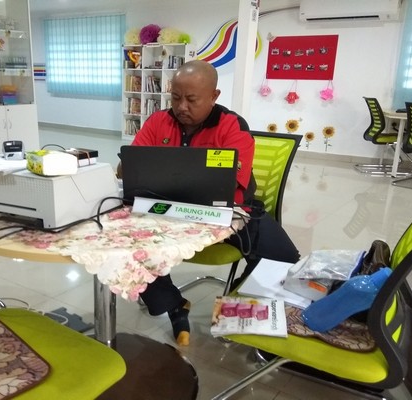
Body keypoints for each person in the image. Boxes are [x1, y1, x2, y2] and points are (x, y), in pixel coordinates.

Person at [124, 60, 300, 346]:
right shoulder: (158, 121)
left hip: (228, 212)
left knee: (285, 260)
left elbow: (233, 182)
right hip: (166, 212)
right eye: (176, 97)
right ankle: (173, 305)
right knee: (124, 242)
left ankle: (243, 310)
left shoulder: (232, 125)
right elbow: (132, 165)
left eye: (191, 99)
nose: (181, 107)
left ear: (214, 96)